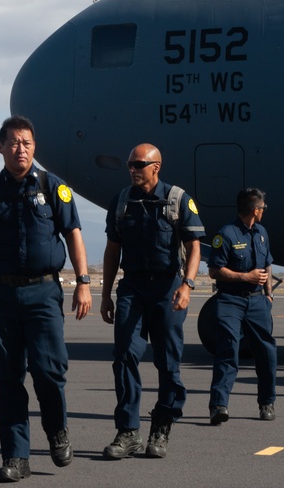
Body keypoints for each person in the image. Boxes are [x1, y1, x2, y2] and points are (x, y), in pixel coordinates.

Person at [0, 115, 92, 483]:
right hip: (1, 294)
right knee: (7, 377)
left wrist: (83, 282)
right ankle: (16, 456)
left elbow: (73, 234)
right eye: (14, 143)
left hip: (43, 292)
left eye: (28, 143)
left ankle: (56, 429)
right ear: (1, 147)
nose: (21, 149)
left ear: (35, 148)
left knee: (49, 371)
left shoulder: (53, 187)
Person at [100, 143, 205, 460]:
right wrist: (105, 294)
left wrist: (188, 284)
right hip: (132, 288)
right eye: (130, 163)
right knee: (124, 357)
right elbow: (112, 250)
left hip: (168, 288)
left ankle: (162, 425)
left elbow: (194, 246)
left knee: (168, 363)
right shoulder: (121, 201)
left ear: (156, 166)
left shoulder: (177, 199)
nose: (132, 168)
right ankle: (128, 431)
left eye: (139, 164)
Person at [207, 188, 277, 425]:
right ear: (254, 210)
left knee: (266, 352)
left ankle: (267, 402)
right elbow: (215, 271)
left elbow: (267, 264)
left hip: (258, 301)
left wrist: (268, 295)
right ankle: (218, 405)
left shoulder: (262, 233)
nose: (264, 211)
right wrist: (245, 277)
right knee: (228, 351)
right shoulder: (226, 234)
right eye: (263, 208)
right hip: (230, 301)